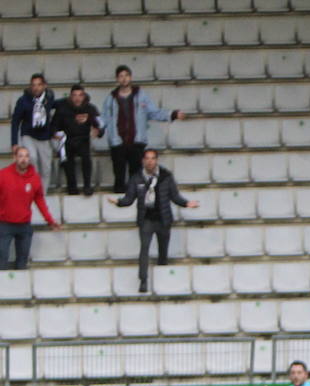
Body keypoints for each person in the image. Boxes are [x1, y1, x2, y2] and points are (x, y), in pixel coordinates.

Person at [108, 148, 199, 293]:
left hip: (163, 218)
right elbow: (129, 198)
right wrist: (118, 202)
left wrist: (186, 203)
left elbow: (175, 196)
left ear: (156, 160)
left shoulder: (166, 176)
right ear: (143, 161)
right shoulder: (137, 178)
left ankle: (163, 278)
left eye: (152, 158)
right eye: (147, 158)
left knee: (163, 251)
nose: (150, 161)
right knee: (144, 248)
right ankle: (143, 280)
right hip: (146, 218)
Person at [100, 66, 185, 195]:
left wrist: (172, 114)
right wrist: (97, 128)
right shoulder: (111, 98)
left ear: (130, 77)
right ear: (117, 79)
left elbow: (154, 112)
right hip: (117, 140)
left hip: (137, 140)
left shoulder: (141, 96)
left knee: (136, 174)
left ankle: (135, 199)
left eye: (126, 75)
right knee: (119, 174)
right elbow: (104, 117)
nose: (124, 78)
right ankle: (119, 199)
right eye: (121, 76)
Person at [0, 145, 61, 270]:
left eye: (26, 156)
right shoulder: (3, 175)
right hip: (4, 224)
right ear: (14, 158)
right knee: (2, 260)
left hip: (24, 225)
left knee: (22, 262)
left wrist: (50, 220)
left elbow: (40, 201)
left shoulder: (34, 178)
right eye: (21, 156)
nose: (24, 159)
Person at [51, 85, 103, 197]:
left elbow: (100, 124)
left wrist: (98, 131)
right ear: (70, 96)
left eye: (80, 95)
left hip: (83, 139)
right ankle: (72, 187)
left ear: (84, 96)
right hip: (67, 140)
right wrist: (54, 133)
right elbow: (54, 125)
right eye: (74, 95)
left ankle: (87, 186)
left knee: (86, 157)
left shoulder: (90, 108)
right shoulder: (62, 108)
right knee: (67, 160)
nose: (77, 98)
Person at [10, 74, 57, 190]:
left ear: (44, 86)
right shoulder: (23, 100)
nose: (36, 88)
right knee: (32, 158)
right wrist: (14, 142)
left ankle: (42, 193)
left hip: (44, 136)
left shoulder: (49, 98)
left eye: (39, 85)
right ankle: (32, 191)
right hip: (28, 134)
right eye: (33, 85)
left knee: (46, 168)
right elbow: (15, 121)